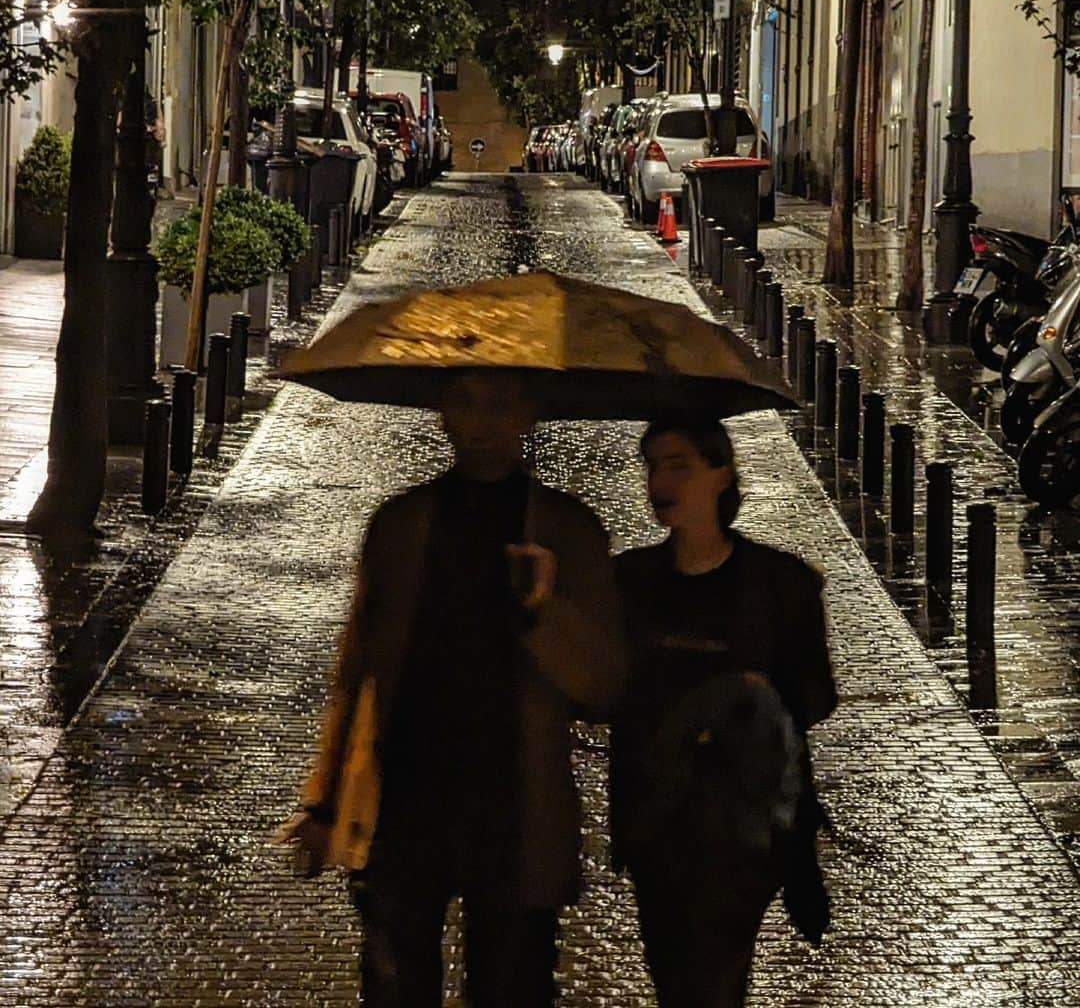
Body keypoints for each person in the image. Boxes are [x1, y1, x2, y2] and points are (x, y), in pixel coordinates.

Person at [278, 370, 627, 1008]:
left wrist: (546, 608)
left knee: (512, 988)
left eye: (500, 402)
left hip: (517, 809)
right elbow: (356, 670)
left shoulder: (568, 531)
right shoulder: (401, 524)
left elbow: (604, 688)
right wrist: (323, 801)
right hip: (405, 803)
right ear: (440, 411)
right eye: (464, 401)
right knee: (393, 985)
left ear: (529, 413)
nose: (481, 421)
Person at [611, 415, 837, 1008]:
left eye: (678, 464)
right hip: (658, 818)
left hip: (745, 822)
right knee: (670, 969)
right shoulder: (630, 581)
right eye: (653, 465)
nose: (661, 479)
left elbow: (817, 696)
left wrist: (753, 695)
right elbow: (606, 692)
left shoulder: (779, 583)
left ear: (722, 474)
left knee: (716, 973)